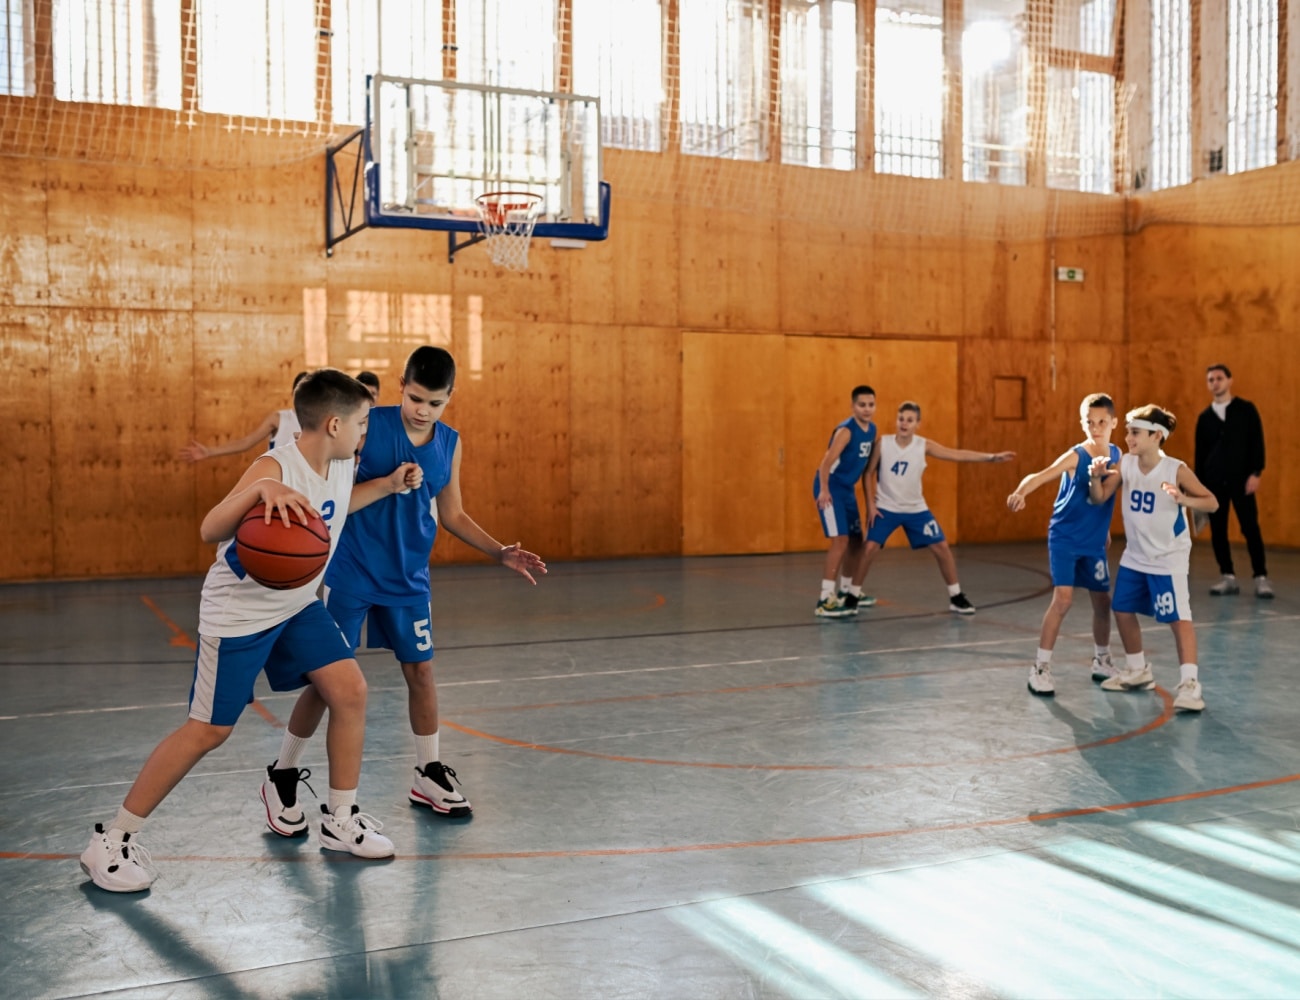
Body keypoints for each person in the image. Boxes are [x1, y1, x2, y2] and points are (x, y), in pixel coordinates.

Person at [80, 370, 421, 893]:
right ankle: (111, 840)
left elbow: (333, 510)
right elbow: (210, 529)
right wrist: (261, 489)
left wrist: (390, 485)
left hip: (296, 604)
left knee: (350, 690)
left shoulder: (339, 463)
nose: (365, 432)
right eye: (361, 423)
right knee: (209, 730)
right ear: (334, 424)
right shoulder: (274, 466)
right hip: (239, 613)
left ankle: (340, 817)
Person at [260, 347, 546, 831]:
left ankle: (428, 771)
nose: (423, 410)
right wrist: (387, 483)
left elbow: (452, 513)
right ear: (401, 386)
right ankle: (282, 772)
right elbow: (329, 489)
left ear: (450, 397)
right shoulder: (367, 426)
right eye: (415, 399)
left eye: (435, 403)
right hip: (351, 571)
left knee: (422, 672)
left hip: (409, 577)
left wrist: (499, 551)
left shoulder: (449, 443)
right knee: (327, 682)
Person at [1087, 404, 1218, 713]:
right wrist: (1094, 478)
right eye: (1128, 432)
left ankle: (1190, 685)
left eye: (1135, 432)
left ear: (1157, 436)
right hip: (1135, 556)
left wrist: (1183, 499)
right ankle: (1137, 670)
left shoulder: (1175, 469)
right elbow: (1099, 497)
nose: (1128, 438)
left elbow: (1211, 502)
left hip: (1167, 558)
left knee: (1178, 618)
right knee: (1122, 609)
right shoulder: (1126, 464)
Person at [1007, 393, 1121, 696]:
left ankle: (1102, 660)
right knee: (1063, 600)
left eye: (1102, 422)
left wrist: (1105, 529)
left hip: (1093, 542)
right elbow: (1040, 476)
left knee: (1102, 602)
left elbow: (1105, 498)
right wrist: (1021, 492)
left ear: (1114, 423)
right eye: (1089, 422)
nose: (1096, 428)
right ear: (1082, 423)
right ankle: (1040, 667)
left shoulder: (1117, 455)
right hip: (1065, 538)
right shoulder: (1076, 456)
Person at [854, 401, 1014, 614]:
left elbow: (956, 454)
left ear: (918, 424)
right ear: (896, 421)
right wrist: (870, 505)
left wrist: (990, 458)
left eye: (910, 420)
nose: (904, 424)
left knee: (941, 547)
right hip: (886, 507)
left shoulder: (923, 445)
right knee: (869, 548)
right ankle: (852, 595)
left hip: (916, 509)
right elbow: (868, 473)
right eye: (901, 419)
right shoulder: (883, 443)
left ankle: (956, 596)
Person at [1194, 364, 1272, 599]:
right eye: (1210, 379)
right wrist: (1199, 488)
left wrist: (1256, 473)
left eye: (1219, 378)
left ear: (1229, 380)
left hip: (1242, 480)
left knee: (1250, 528)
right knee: (1218, 530)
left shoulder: (1246, 410)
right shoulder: (1205, 418)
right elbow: (1200, 455)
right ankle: (1227, 576)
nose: (1215, 383)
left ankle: (1261, 577)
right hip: (1214, 483)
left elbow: (1257, 442)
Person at [812, 385, 879, 618]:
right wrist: (824, 490)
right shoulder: (846, 431)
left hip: (847, 490)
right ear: (853, 406)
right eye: (862, 405)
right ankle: (825, 599)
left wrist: (871, 502)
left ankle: (847, 591)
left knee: (856, 542)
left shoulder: (872, 430)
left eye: (871, 405)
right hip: (831, 488)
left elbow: (866, 469)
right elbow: (825, 463)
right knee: (840, 540)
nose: (867, 409)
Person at [178, 371, 310, 462]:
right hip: (280, 483)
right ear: (293, 394)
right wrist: (209, 451)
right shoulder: (279, 419)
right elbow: (246, 442)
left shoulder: (318, 422)